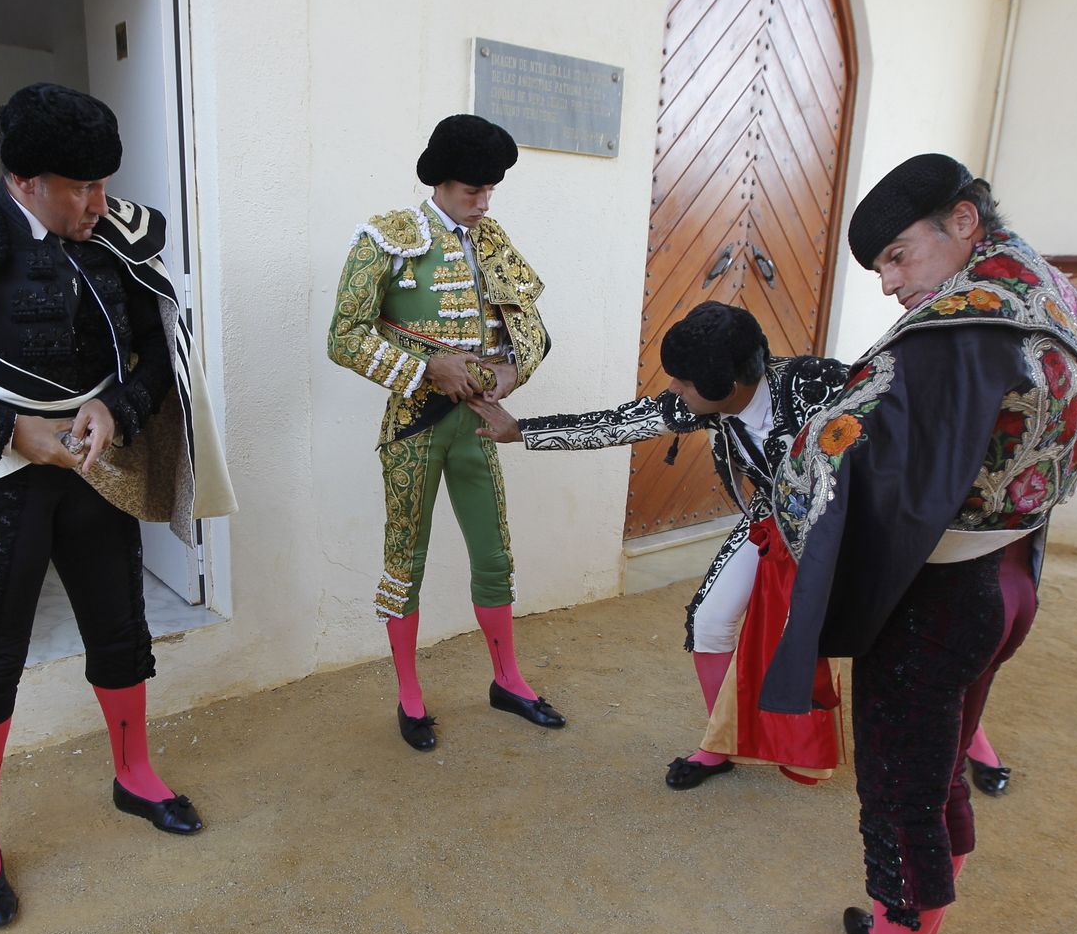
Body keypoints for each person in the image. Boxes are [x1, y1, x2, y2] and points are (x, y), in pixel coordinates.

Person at [0, 83, 234, 929]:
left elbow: (154, 351)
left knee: (122, 634)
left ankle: (133, 775)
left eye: (104, 183)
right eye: (78, 188)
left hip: (98, 471)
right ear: (23, 180)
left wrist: (116, 410)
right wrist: (8, 429)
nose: (100, 205)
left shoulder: (116, 234)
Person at [758, 154, 1077, 934]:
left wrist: (793, 456)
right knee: (941, 764)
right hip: (1013, 571)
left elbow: (844, 459)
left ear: (962, 221)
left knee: (899, 792)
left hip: (942, 589)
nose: (890, 285)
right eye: (879, 267)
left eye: (896, 256)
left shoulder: (958, 330)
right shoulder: (1052, 291)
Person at [471, 301, 848, 787]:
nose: (673, 390)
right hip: (770, 522)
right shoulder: (711, 396)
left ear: (727, 387)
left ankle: (965, 747)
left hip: (840, 534)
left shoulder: (820, 385)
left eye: (684, 382)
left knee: (875, 634)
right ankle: (721, 743)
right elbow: (620, 422)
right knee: (710, 620)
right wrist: (523, 431)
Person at [327, 114, 561, 751]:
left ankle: (507, 679)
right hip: (415, 424)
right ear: (439, 183)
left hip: (478, 425)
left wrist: (511, 374)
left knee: (494, 552)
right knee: (406, 557)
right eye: (470, 191)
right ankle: (409, 694)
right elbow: (343, 337)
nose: (482, 203)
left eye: (490, 191)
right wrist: (425, 367)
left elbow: (532, 328)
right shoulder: (386, 237)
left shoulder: (494, 240)